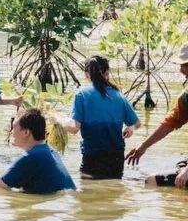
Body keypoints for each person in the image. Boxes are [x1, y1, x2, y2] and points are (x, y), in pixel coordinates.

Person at [57, 55, 140, 179]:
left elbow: (74, 128)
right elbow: (137, 123)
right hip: (116, 159)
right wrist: (130, 129)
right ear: (107, 73)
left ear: (86, 74)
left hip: (92, 157)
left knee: (89, 193)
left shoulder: (82, 95)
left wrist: (58, 119)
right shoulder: (119, 96)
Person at [126, 43, 188, 188]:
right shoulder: (186, 97)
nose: (181, 70)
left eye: (184, 65)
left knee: (150, 181)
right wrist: (142, 147)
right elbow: (169, 123)